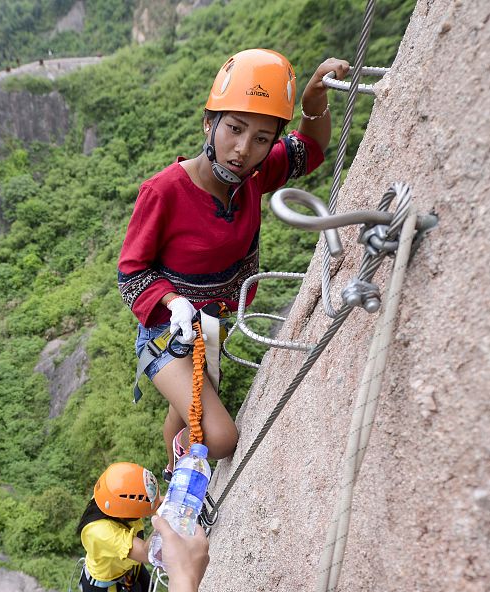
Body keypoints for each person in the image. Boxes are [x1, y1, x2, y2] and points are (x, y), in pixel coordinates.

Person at [118, 49, 351, 475]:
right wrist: (172, 303)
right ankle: (183, 477)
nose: (242, 150)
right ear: (210, 123)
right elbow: (132, 272)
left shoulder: (253, 178)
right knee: (221, 437)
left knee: (189, 405)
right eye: (235, 129)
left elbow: (309, 150)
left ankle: (173, 475)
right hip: (164, 334)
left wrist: (314, 102)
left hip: (212, 326)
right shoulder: (164, 192)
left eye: (262, 138)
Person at [79, 462, 161, 592]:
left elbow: (155, 503)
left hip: (126, 568)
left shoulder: (110, 498)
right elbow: (145, 552)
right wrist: (166, 519)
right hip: (103, 588)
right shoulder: (100, 532)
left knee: (145, 589)